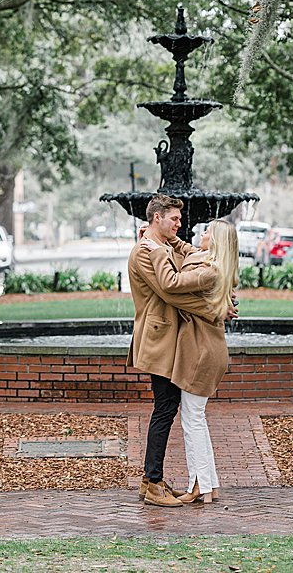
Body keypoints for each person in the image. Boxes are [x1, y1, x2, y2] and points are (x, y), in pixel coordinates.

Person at [127, 194, 221, 507]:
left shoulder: (162, 245)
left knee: (166, 409)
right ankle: (153, 483)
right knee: (165, 409)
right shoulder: (144, 252)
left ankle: (149, 479)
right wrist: (215, 310)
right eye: (174, 220)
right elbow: (172, 294)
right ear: (157, 218)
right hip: (159, 339)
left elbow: (186, 271)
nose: (180, 225)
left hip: (169, 339)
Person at [143, 219, 239, 504]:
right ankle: (208, 485)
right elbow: (187, 248)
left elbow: (171, 286)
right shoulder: (208, 263)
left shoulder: (209, 272)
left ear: (218, 241)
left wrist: (156, 250)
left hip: (202, 353)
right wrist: (165, 241)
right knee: (196, 419)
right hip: (204, 350)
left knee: (193, 420)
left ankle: (200, 486)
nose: (202, 233)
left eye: (208, 231)